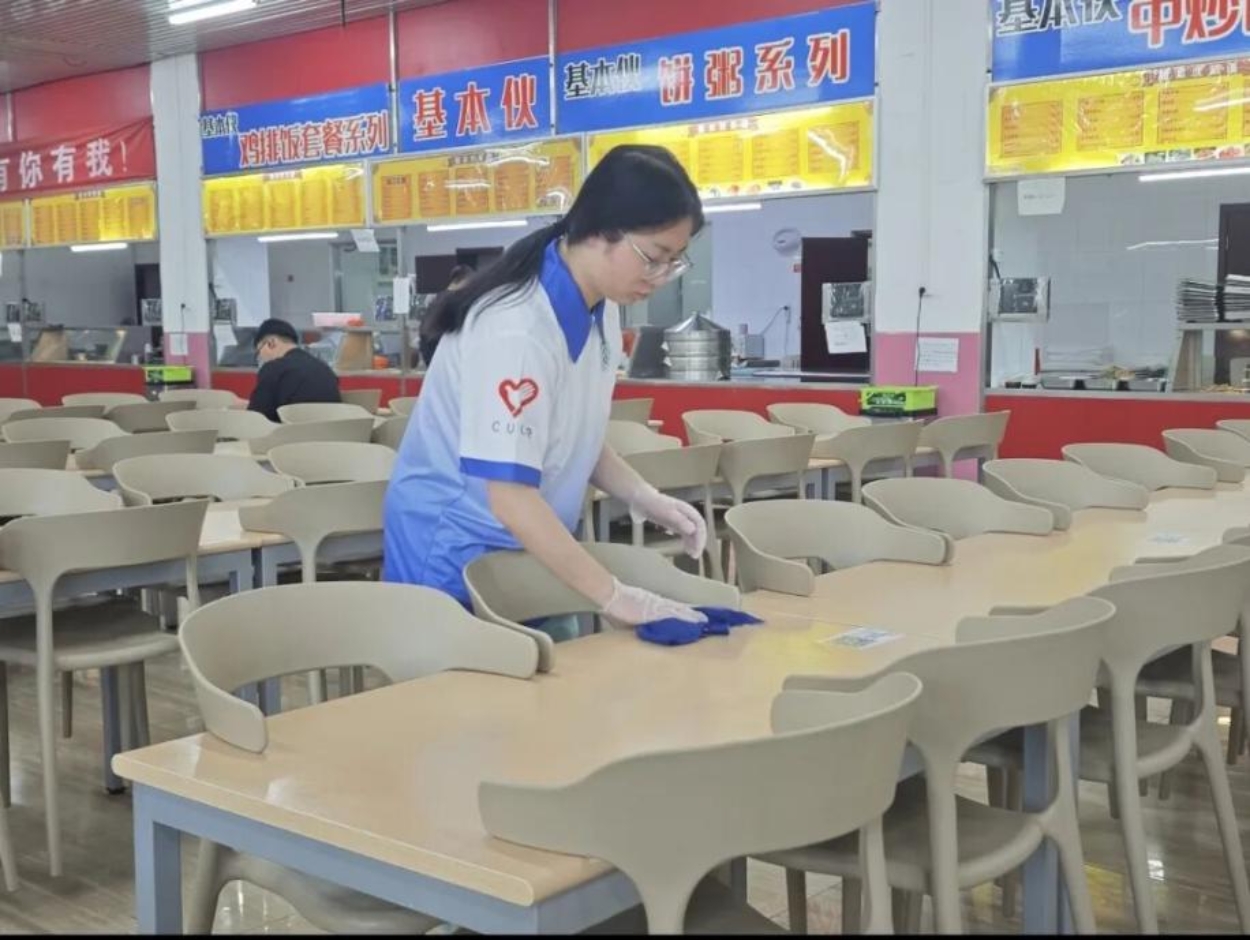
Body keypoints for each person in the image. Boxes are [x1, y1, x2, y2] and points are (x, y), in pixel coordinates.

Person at [383, 145, 708, 639]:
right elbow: (510, 497)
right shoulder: (516, 328)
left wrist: (644, 496)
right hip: (455, 552)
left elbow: (570, 433)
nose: (660, 277)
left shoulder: (602, 308)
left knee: (552, 679)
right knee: (473, 687)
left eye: (673, 263)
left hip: (532, 543)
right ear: (600, 230)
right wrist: (615, 597)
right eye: (653, 258)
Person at [247, 317, 342, 422]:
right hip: (331, 431)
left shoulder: (273, 369)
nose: (260, 358)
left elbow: (256, 417)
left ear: (271, 343)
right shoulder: (324, 368)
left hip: (293, 431)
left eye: (259, 352)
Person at [417, 264, 474, 367]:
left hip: (431, 354)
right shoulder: (455, 301)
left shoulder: (438, 299)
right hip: (443, 355)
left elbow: (424, 331)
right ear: (464, 280)